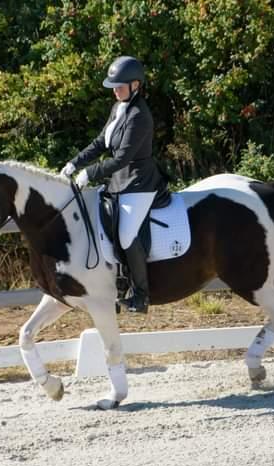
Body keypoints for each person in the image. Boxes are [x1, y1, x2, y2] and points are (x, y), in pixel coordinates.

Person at [60, 56, 169, 314]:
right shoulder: (119, 108)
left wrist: (91, 172)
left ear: (136, 85)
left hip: (140, 182)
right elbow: (101, 143)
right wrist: (75, 163)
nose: (115, 90)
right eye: (114, 85)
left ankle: (141, 295)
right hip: (119, 182)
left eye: (120, 86)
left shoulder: (140, 115)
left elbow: (123, 158)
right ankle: (116, 285)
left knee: (126, 234)